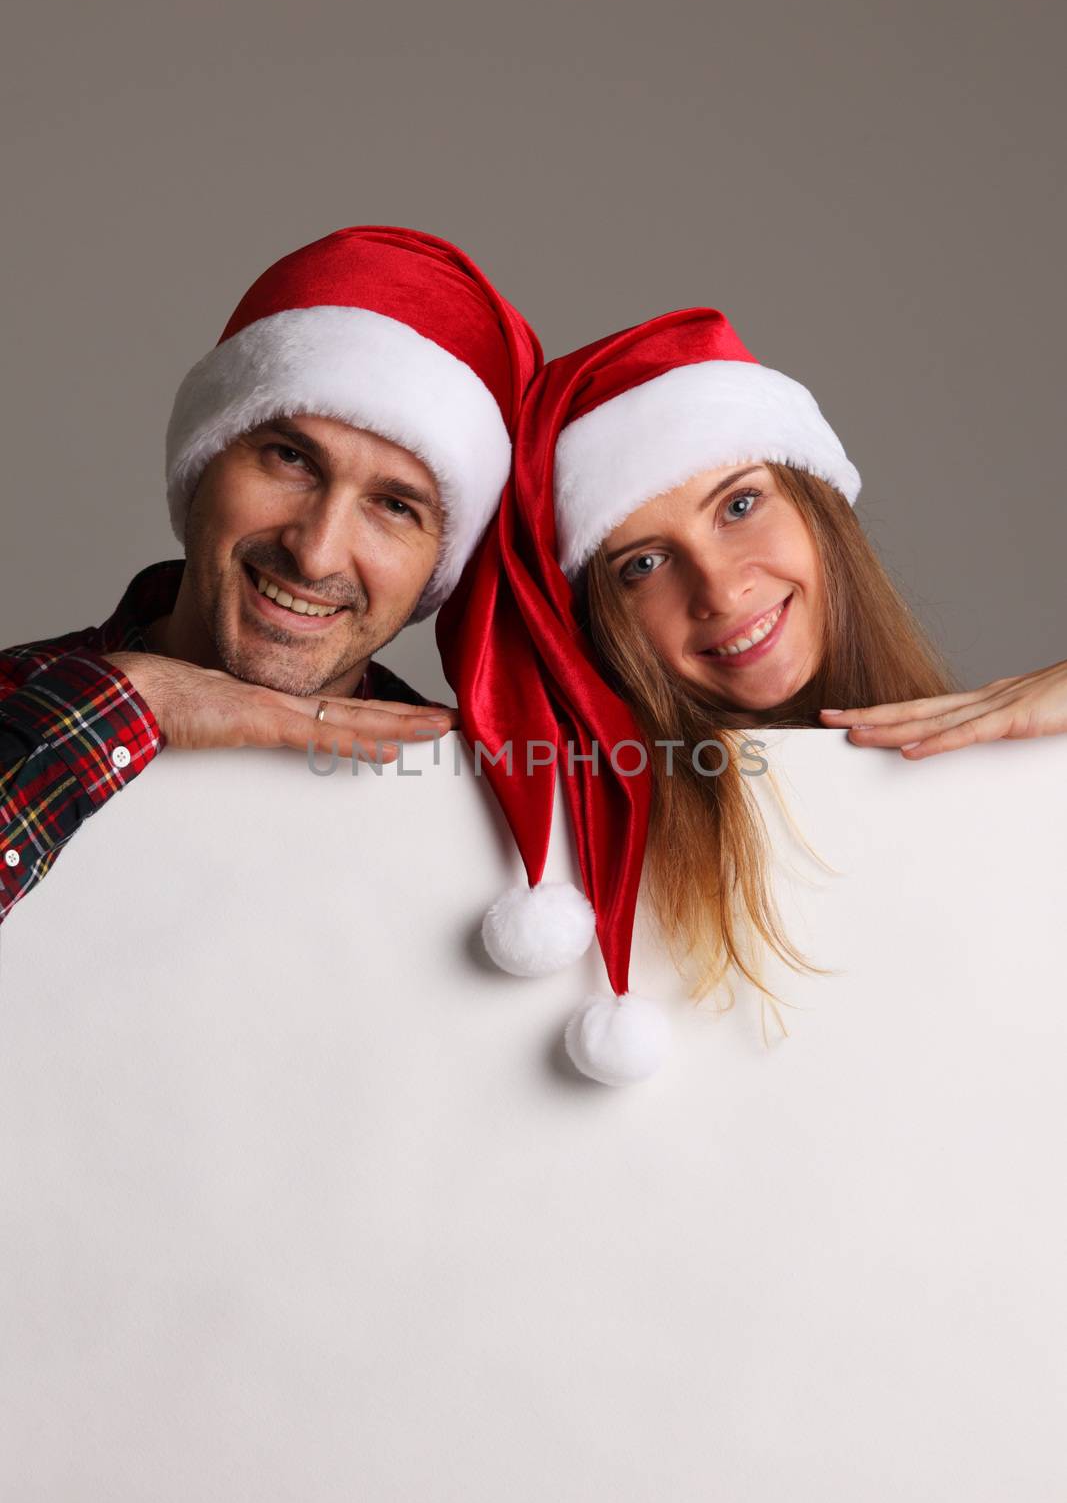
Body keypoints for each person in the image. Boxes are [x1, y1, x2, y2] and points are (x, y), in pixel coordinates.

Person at [437, 307, 1067, 1086]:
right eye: (642, 564)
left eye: (739, 505)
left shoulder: (1016, 791)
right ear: (595, 626)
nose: (720, 588)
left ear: (818, 509)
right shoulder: (526, 839)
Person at [0, 226, 542, 923]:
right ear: (202, 464)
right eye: (291, 458)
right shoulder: (17, 699)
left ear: (442, 564)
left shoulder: (486, 810)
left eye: (395, 505)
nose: (316, 553)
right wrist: (135, 701)